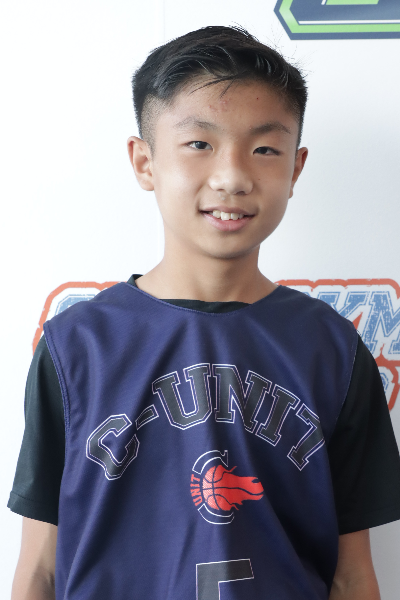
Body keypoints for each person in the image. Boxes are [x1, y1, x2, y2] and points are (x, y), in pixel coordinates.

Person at [8, 25, 400, 600]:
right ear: (144, 161)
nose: (232, 177)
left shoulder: (332, 350)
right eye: (199, 144)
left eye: (264, 149)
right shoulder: (77, 347)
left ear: (295, 168)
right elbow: (40, 567)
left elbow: (352, 574)